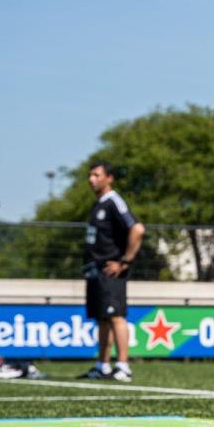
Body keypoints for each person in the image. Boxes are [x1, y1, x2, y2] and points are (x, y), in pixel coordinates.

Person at [78, 161, 144, 382]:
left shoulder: (114, 201)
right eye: (90, 175)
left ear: (109, 178)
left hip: (111, 271)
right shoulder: (99, 204)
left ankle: (123, 366)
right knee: (103, 318)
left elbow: (137, 228)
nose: (91, 179)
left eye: (96, 175)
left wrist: (124, 261)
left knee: (116, 316)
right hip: (96, 271)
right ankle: (102, 365)